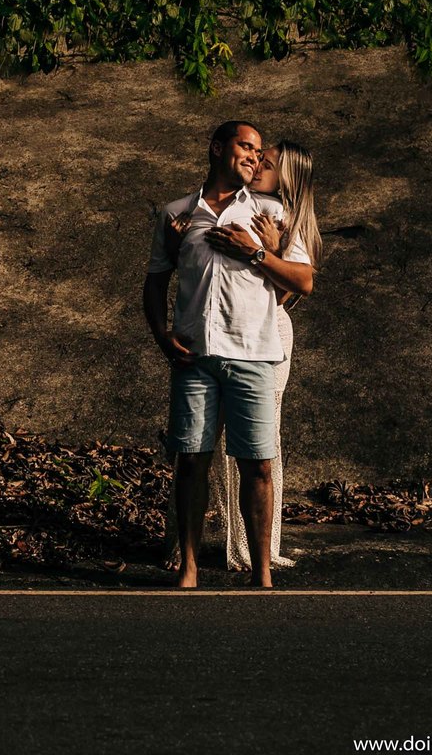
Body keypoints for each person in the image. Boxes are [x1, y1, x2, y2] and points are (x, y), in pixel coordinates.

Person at [143, 121, 314, 587]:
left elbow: (303, 280)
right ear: (218, 148)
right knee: (192, 460)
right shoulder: (177, 214)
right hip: (195, 358)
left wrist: (257, 251)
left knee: (258, 463)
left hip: (255, 354)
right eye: (246, 147)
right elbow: (156, 281)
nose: (254, 158)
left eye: (260, 153)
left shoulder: (270, 212)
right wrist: (161, 334)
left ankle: (261, 573)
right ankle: (190, 567)